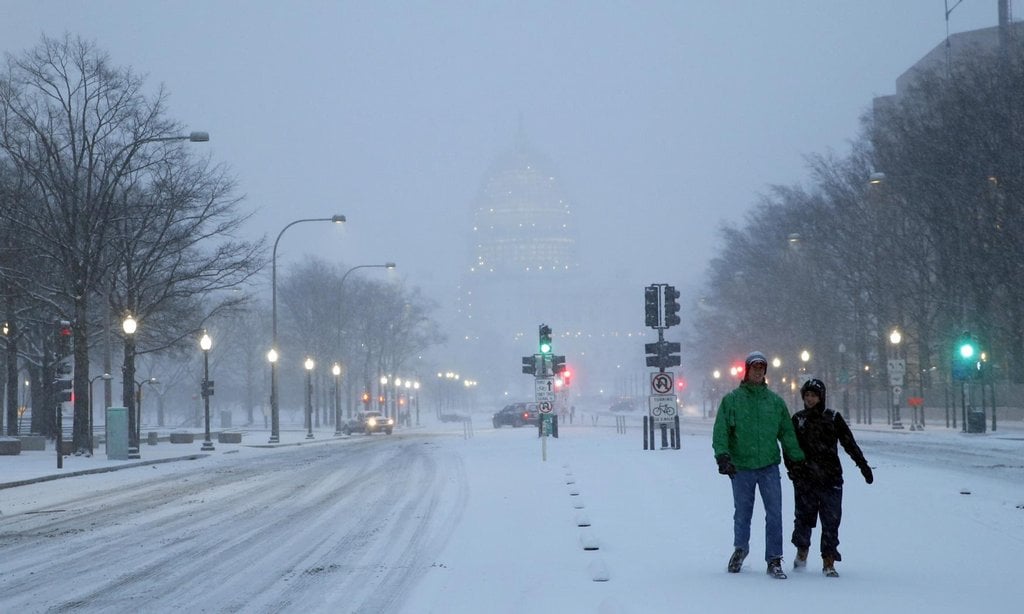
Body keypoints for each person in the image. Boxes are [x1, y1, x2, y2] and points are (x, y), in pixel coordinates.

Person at [712, 351, 806, 579]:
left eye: (761, 368)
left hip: (768, 467)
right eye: (754, 368)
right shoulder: (732, 401)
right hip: (741, 467)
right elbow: (721, 431)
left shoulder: (774, 403)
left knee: (774, 513)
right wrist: (723, 456)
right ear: (747, 370)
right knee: (743, 513)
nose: (758, 372)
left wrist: (796, 459)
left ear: (765, 372)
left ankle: (774, 558)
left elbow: (787, 433)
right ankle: (740, 549)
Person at [786, 378, 873, 578]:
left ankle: (829, 560)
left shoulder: (833, 418)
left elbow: (849, 443)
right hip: (805, 479)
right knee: (803, 520)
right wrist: (793, 470)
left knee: (831, 522)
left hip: (830, 479)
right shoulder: (798, 419)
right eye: (807, 395)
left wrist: (863, 466)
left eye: (814, 395)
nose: (810, 399)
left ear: (821, 396)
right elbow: (790, 447)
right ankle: (802, 552)